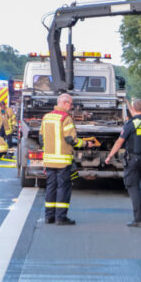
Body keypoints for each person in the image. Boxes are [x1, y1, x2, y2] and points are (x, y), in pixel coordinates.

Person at [105, 98, 141, 227]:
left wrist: (110, 156)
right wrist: (127, 102)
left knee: (133, 188)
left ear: (134, 109)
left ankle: (139, 219)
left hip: (133, 160)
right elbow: (137, 113)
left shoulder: (130, 124)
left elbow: (119, 142)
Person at [40, 93, 93, 225]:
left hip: (49, 160)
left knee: (51, 187)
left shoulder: (46, 117)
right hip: (62, 161)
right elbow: (71, 140)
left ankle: (49, 217)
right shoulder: (66, 118)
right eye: (71, 104)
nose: (72, 106)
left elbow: (41, 139)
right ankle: (61, 218)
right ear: (64, 103)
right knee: (63, 188)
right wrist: (86, 144)